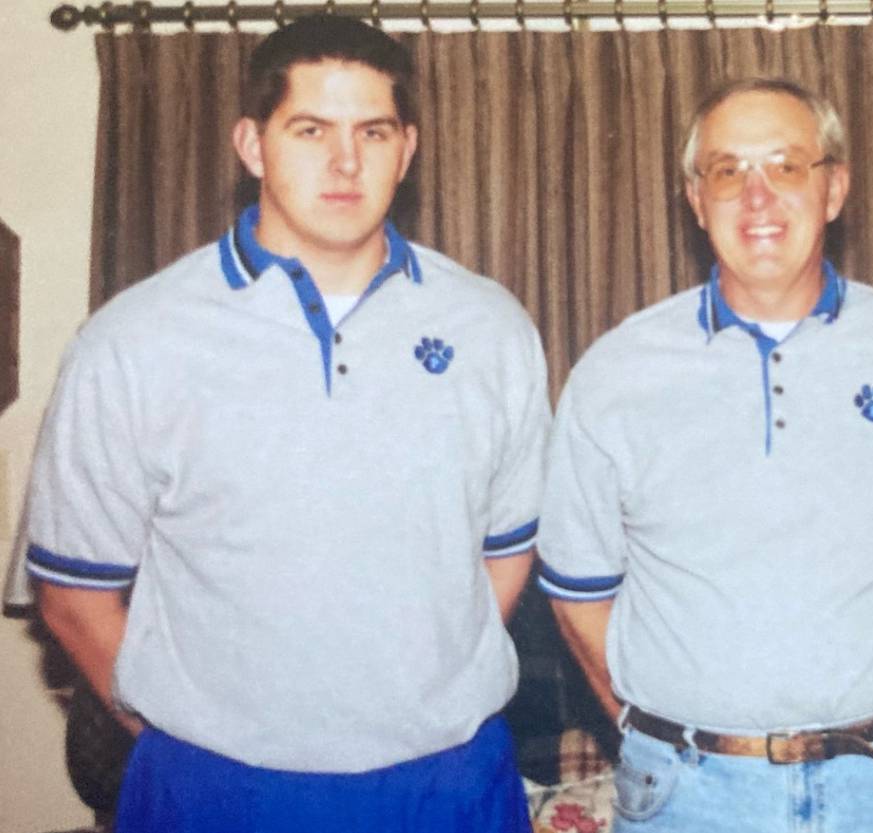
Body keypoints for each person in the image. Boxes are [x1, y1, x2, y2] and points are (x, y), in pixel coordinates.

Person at [20, 15, 545, 833]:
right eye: (311, 129)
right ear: (253, 144)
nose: (345, 161)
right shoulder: (133, 340)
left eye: (372, 132)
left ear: (406, 151)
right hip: (214, 789)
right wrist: (198, 734)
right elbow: (74, 597)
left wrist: (415, 688)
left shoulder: (493, 329)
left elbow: (507, 552)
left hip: (444, 785)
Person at [536, 77, 873, 833]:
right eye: (728, 171)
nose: (757, 197)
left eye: (787, 165)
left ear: (835, 188)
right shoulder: (615, 372)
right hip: (692, 801)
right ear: (696, 200)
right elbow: (578, 589)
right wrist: (668, 737)